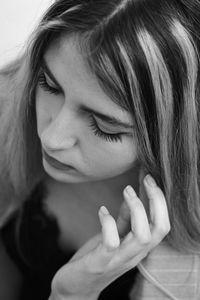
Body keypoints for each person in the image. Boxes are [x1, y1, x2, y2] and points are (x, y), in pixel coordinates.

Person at [0, 0, 200, 299]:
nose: (52, 138)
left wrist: (70, 294)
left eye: (103, 127)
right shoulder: (9, 103)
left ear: (171, 138)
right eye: (50, 85)